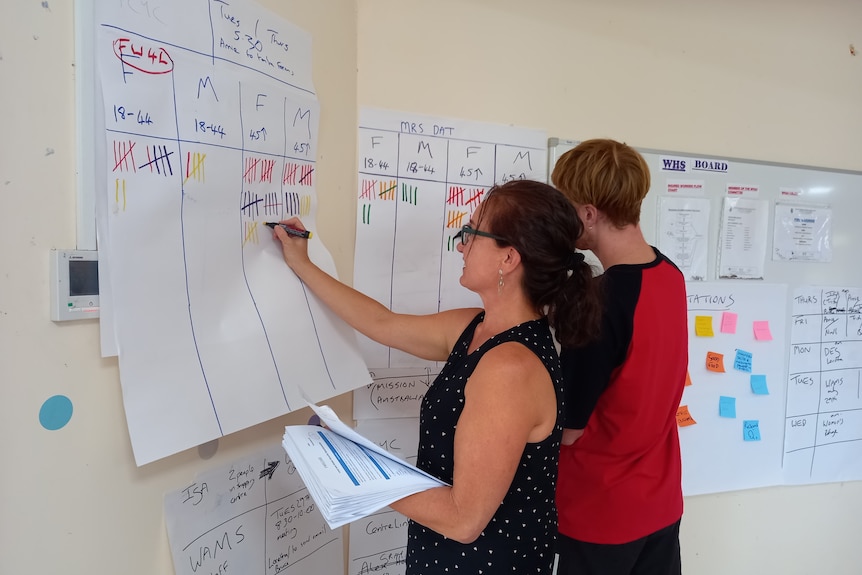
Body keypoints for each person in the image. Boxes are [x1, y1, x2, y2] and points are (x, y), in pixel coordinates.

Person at [272, 179, 601, 575]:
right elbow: (383, 323)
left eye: (472, 233)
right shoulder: (477, 328)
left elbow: (464, 520)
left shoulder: (509, 368)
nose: (461, 245)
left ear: (509, 258)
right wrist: (301, 264)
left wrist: (358, 473)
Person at [550, 139, 688, 575]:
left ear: (589, 214)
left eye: (565, 205)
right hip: (660, 504)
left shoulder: (600, 300)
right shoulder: (671, 275)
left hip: (599, 514)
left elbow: (569, 430)